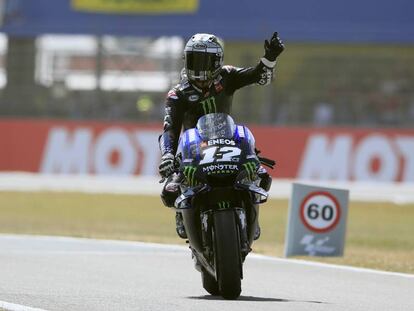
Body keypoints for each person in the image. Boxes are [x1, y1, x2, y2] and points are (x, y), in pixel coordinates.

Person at [158, 32, 285, 238]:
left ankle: (251, 214)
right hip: (193, 150)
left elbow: (259, 77)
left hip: (228, 142)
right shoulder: (178, 93)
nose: (199, 68)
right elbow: (170, 128)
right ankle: (182, 214)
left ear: (217, 62)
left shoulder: (227, 76)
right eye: (194, 60)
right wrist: (167, 156)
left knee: (262, 177)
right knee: (169, 191)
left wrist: (270, 57)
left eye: (204, 61)